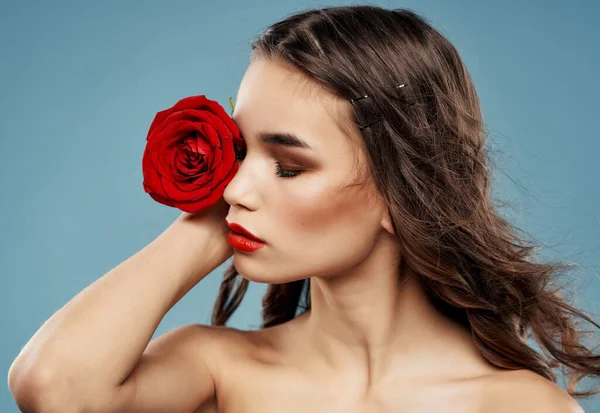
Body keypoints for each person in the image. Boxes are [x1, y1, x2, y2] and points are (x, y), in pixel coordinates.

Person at [8, 5, 597, 413]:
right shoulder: (219, 371)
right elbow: (54, 389)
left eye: (289, 166)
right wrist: (212, 212)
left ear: (405, 191)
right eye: (241, 151)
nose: (238, 187)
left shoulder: (517, 404)